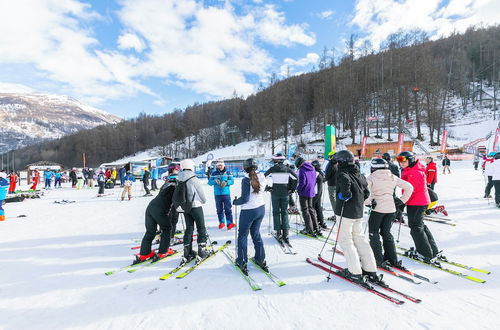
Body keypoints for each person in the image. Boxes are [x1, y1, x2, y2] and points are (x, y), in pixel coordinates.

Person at [334, 150, 382, 285]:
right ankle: (370, 269)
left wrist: (344, 196)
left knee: (346, 241)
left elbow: (346, 191)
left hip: (345, 212)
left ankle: (354, 272)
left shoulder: (342, 174)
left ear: (341, 162)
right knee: (359, 239)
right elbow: (366, 193)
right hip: (358, 212)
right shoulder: (359, 174)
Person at [365, 158, 413, 269]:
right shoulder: (392, 176)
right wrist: (402, 200)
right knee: (386, 233)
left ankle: (378, 259)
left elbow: (366, 192)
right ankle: (392, 259)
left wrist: (368, 203)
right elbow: (409, 187)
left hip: (377, 210)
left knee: (373, 233)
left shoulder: (371, 177)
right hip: (391, 209)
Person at [396, 151, 440, 262]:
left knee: (416, 227)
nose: (401, 163)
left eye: (403, 160)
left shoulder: (414, 172)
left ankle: (425, 253)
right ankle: (432, 250)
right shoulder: (411, 169)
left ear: (410, 160)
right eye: (399, 160)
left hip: (417, 202)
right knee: (419, 225)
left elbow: (411, 190)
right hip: (417, 201)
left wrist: (402, 202)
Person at [134, 166, 179, 264]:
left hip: (150, 207)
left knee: (150, 232)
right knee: (167, 229)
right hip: (159, 210)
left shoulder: (165, 185)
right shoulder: (175, 187)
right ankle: (163, 251)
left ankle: (144, 253)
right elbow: (177, 201)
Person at [233, 158, 268, 275]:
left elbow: (245, 199)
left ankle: (242, 261)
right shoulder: (262, 176)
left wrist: (235, 202)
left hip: (249, 211)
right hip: (260, 209)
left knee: (242, 235)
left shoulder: (246, 180)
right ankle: (260, 258)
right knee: (256, 233)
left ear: (245, 167)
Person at [177, 159, 209, 262]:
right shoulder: (193, 178)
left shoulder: (179, 178)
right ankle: (202, 251)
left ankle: (187, 252)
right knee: (201, 228)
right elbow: (201, 195)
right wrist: (203, 201)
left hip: (186, 207)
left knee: (189, 228)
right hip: (196, 206)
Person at [264, 153, 297, 243]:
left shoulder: (272, 169)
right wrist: (292, 189)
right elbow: (296, 178)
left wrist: (268, 187)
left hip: (275, 193)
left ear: (276, 160)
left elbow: (262, 178)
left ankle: (278, 233)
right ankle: (286, 234)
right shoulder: (287, 169)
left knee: (276, 213)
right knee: (284, 212)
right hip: (285, 193)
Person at [295, 157, 320, 236]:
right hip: (311, 191)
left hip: (304, 192)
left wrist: (298, 189)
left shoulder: (302, 170)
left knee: (305, 211)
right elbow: (314, 179)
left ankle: (309, 229)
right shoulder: (312, 168)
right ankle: (316, 228)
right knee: (311, 209)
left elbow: (302, 182)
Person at [208, 160, 235, 230]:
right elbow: (209, 182)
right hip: (217, 194)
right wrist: (215, 181)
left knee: (228, 209)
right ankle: (221, 222)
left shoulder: (228, 172)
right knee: (219, 209)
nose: (219, 167)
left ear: (224, 166)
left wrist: (226, 182)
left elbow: (232, 181)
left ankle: (229, 223)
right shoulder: (214, 173)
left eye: (221, 165)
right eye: (218, 165)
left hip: (226, 194)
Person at [311, 160, 328, 229]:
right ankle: (321, 221)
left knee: (312, 207)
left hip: (315, 192)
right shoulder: (320, 172)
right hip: (319, 191)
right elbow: (324, 179)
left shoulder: (316, 173)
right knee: (318, 207)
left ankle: (314, 223)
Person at [324, 151, 338, 221]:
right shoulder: (338, 163)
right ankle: (338, 214)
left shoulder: (331, 164)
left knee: (333, 199)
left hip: (332, 184)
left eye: (330, 157)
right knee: (337, 199)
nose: (329, 159)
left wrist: (323, 179)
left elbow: (327, 175)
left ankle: (336, 215)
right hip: (338, 184)